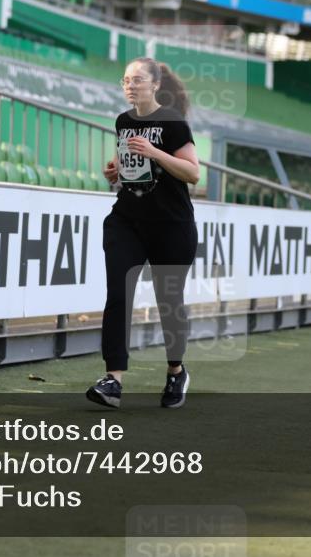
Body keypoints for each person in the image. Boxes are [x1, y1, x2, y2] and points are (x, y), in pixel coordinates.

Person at [86, 57, 200, 409]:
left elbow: (193, 173)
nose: (130, 85)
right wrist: (114, 172)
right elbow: (129, 166)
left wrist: (154, 151)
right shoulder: (123, 121)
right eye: (125, 80)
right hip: (128, 220)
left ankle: (176, 371)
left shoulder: (173, 122)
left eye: (137, 79)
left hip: (171, 224)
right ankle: (113, 381)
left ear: (155, 85)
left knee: (170, 304)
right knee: (118, 294)